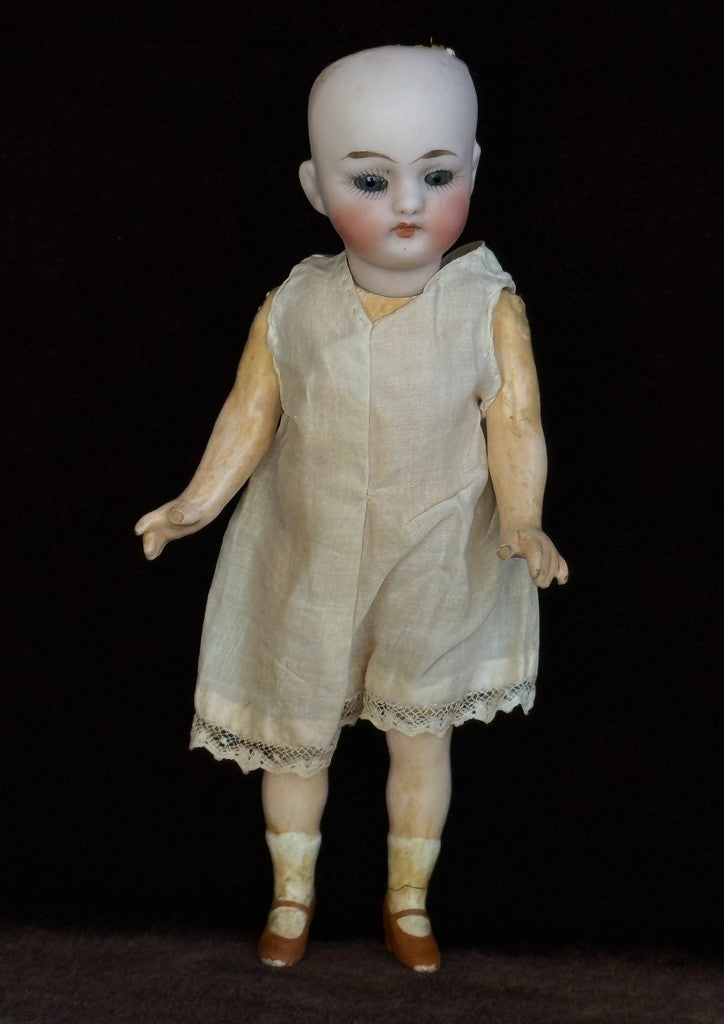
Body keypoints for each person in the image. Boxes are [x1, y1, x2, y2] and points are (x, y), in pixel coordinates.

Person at [135, 44, 567, 972]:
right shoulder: (295, 305)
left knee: (421, 732)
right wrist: (193, 503)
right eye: (371, 179)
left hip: (436, 555)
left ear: (473, 170)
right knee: (295, 734)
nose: (408, 203)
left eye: (437, 175)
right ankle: (291, 895)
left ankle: (408, 900)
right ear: (315, 186)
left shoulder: (485, 306)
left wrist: (524, 517)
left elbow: (516, 420)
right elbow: (250, 414)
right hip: (308, 554)